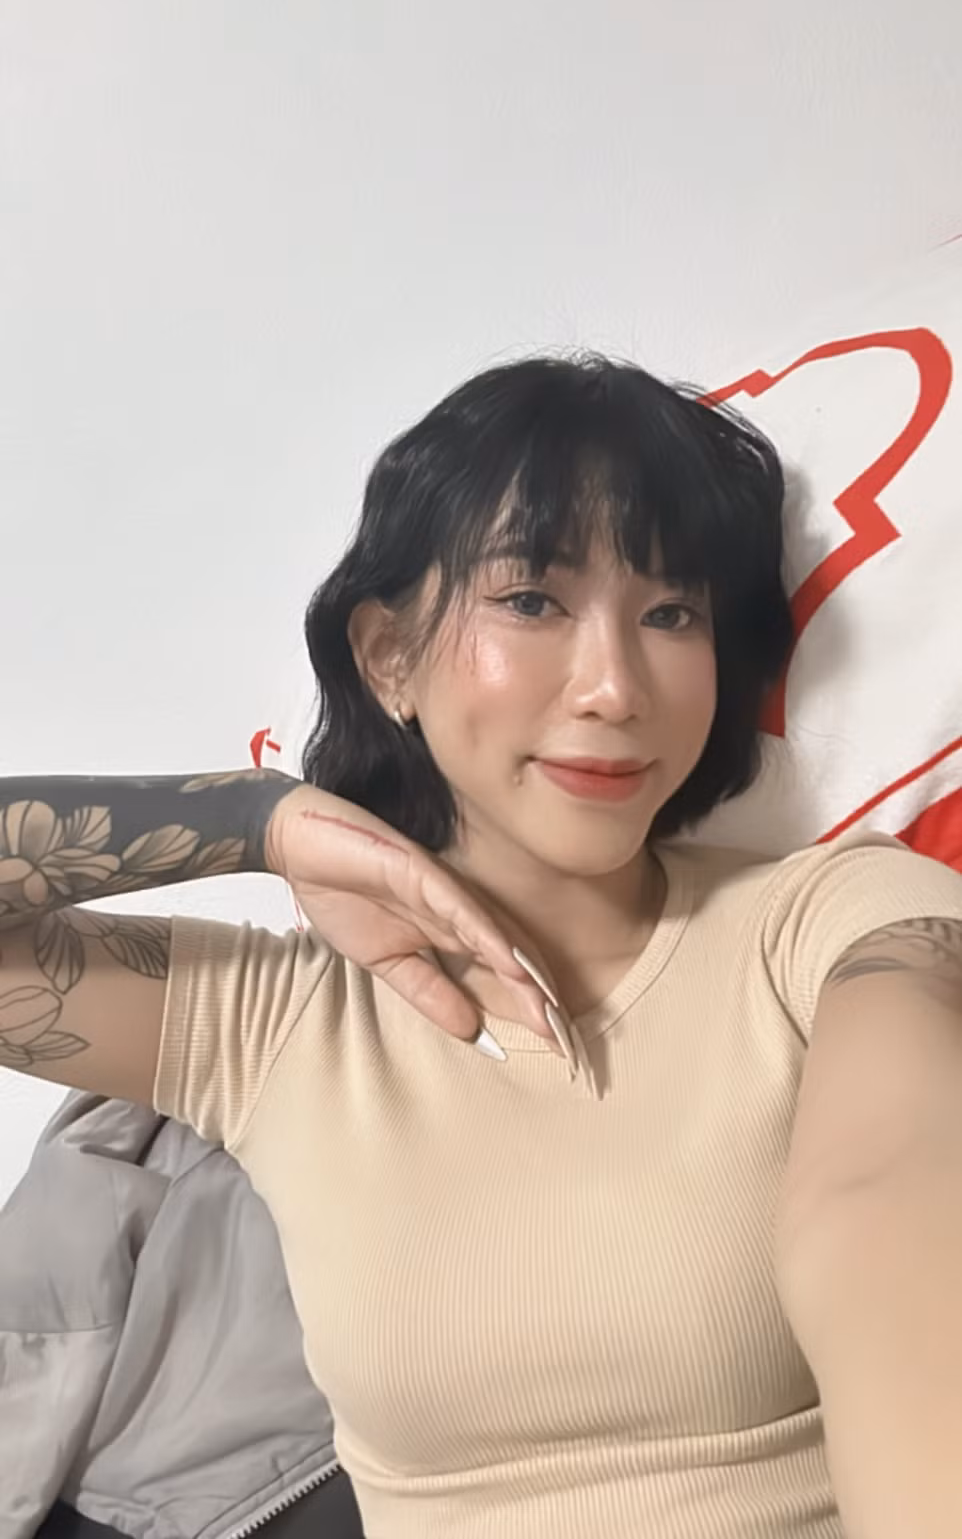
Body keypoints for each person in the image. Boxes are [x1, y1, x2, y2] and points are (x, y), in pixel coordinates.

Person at [2, 350, 962, 1539]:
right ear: (387, 657)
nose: (614, 687)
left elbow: (889, 1197)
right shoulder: (275, 1027)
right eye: (531, 601)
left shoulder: (830, 919)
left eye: (670, 613)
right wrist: (255, 821)